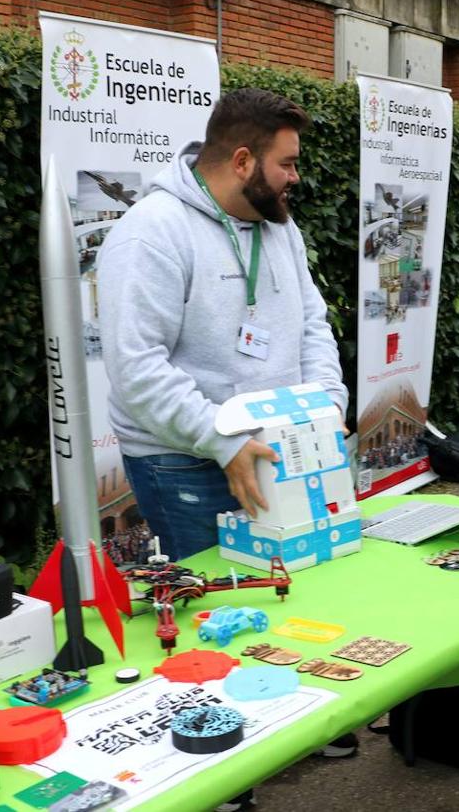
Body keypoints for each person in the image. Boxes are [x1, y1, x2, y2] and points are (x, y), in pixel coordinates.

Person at [97, 88, 357, 798]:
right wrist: (221, 439)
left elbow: (310, 324)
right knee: (214, 615)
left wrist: (326, 405)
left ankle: (288, 723)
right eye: (286, 163)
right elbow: (136, 367)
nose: (294, 178)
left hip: (274, 446)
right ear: (241, 160)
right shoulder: (150, 232)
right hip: (184, 457)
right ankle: (218, 770)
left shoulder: (280, 227)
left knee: (284, 593)